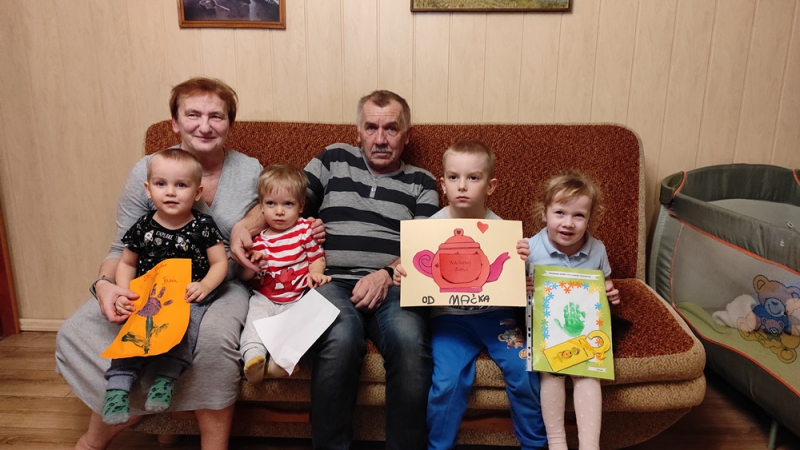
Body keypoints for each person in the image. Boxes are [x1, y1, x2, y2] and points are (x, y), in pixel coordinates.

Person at [56, 77, 263, 450]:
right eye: (193, 114)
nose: (204, 125)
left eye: (216, 116)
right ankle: (112, 430)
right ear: (175, 122)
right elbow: (121, 248)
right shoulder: (148, 169)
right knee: (80, 330)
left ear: (229, 124)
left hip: (219, 286)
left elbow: (275, 206)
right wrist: (107, 287)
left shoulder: (249, 169)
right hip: (150, 283)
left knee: (213, 341)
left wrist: (246, 225)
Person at [231, 90, 439, 450]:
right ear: (358, 131)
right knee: (340, 338)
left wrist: (385, 275)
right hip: (330, 279)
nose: (380, 139)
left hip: (395, 284)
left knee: (409, 341)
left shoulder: (423, 181)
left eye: (391, 129)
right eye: (371, 127)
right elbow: (284, 197)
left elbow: (424, 247)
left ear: (407, 135)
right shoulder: (333, 158)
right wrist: (242, 228)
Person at [393, 140, 548, 450]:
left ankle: (534, 444)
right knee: (446, 382)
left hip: (498, 318)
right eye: (454, 177)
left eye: (473, 178)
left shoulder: (501, 230)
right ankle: (439, 446)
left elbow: (512, 279)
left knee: (524, 370)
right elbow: (419, 271)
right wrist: (402, 275)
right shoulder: (430, 228)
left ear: (491, 186)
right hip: (449, 320)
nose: (462, 186)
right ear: (443, 184)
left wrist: (522, 274)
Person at [102, 149, 228, 425]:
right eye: (161, 184)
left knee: (187, 328)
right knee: (133, 331)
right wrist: (125, 292)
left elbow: (220, 262)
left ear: (197, 192)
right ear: (148, 190)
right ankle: (117, 388)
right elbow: (127, 262)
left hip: (188, 295)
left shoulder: (203, 225)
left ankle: (165, 379)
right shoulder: (142, 227)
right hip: (148, 294)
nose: (170, 192)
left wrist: (205, 285)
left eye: (181, 185)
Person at [525, 171, 621, 450]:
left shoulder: (597, 250)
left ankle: (590, 445)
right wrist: (523, 286)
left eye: (579, 215)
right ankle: (557, 443)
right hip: (546, 331)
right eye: (560, 213)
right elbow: (511, 290)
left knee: (588, 373)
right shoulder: (529, 249)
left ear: (590, 218)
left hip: (584, 330)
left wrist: (611, 293)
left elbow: (605, 285)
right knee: (551, 372)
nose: (568, 223)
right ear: (544, 213)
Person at [238, 164, 330, 383]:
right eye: (271, 204)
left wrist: (316, 273)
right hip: (264, 297)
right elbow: (244, 277)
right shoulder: (257, 241)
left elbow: (316, 258)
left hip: (296, 298)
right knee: (254, 321)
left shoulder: (305, 231)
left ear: (301, 206)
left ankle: (281, 362)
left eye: (288, 204)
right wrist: (252, 264)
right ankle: (253, 358)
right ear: (261, 207)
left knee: (299, 327)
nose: (279, 211)